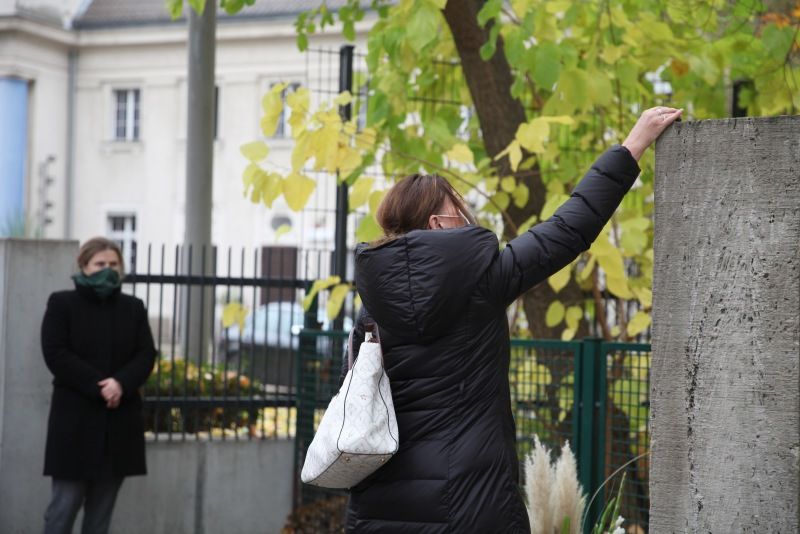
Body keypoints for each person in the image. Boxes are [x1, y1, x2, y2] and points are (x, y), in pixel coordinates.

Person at [341, 107, 682, 533]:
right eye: (460, 210)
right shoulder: (484, 284)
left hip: (379, 502)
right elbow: (567, 229)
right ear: (437, 223)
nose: (468, 217)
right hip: (469, 502)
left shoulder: (371, 308)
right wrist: (632, 147)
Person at [41, 237, 156, 534]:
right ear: (83, 266)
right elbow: (56, 353)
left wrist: (121, 383)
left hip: (118, 427)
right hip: (74, 425)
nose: (107, 270)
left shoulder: (133, 307)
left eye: (113, 264)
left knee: (100, 519)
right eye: (100, 264)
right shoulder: (62, 303)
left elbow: (146, 354)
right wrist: (99, 386)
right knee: (61, 512)